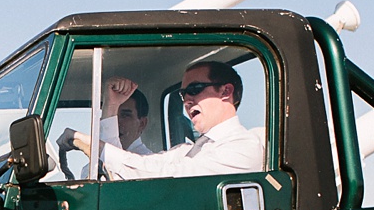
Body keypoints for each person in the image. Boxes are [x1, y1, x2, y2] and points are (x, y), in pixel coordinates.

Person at [68, 61, 264, 179]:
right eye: (182, 94)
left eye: (194, 89)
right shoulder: (186, 151)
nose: (187, 100)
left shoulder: (244, 148)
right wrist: (110, 106)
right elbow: (123, 171)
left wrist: (92, 145)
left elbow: (166, 175)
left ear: (226, 91)